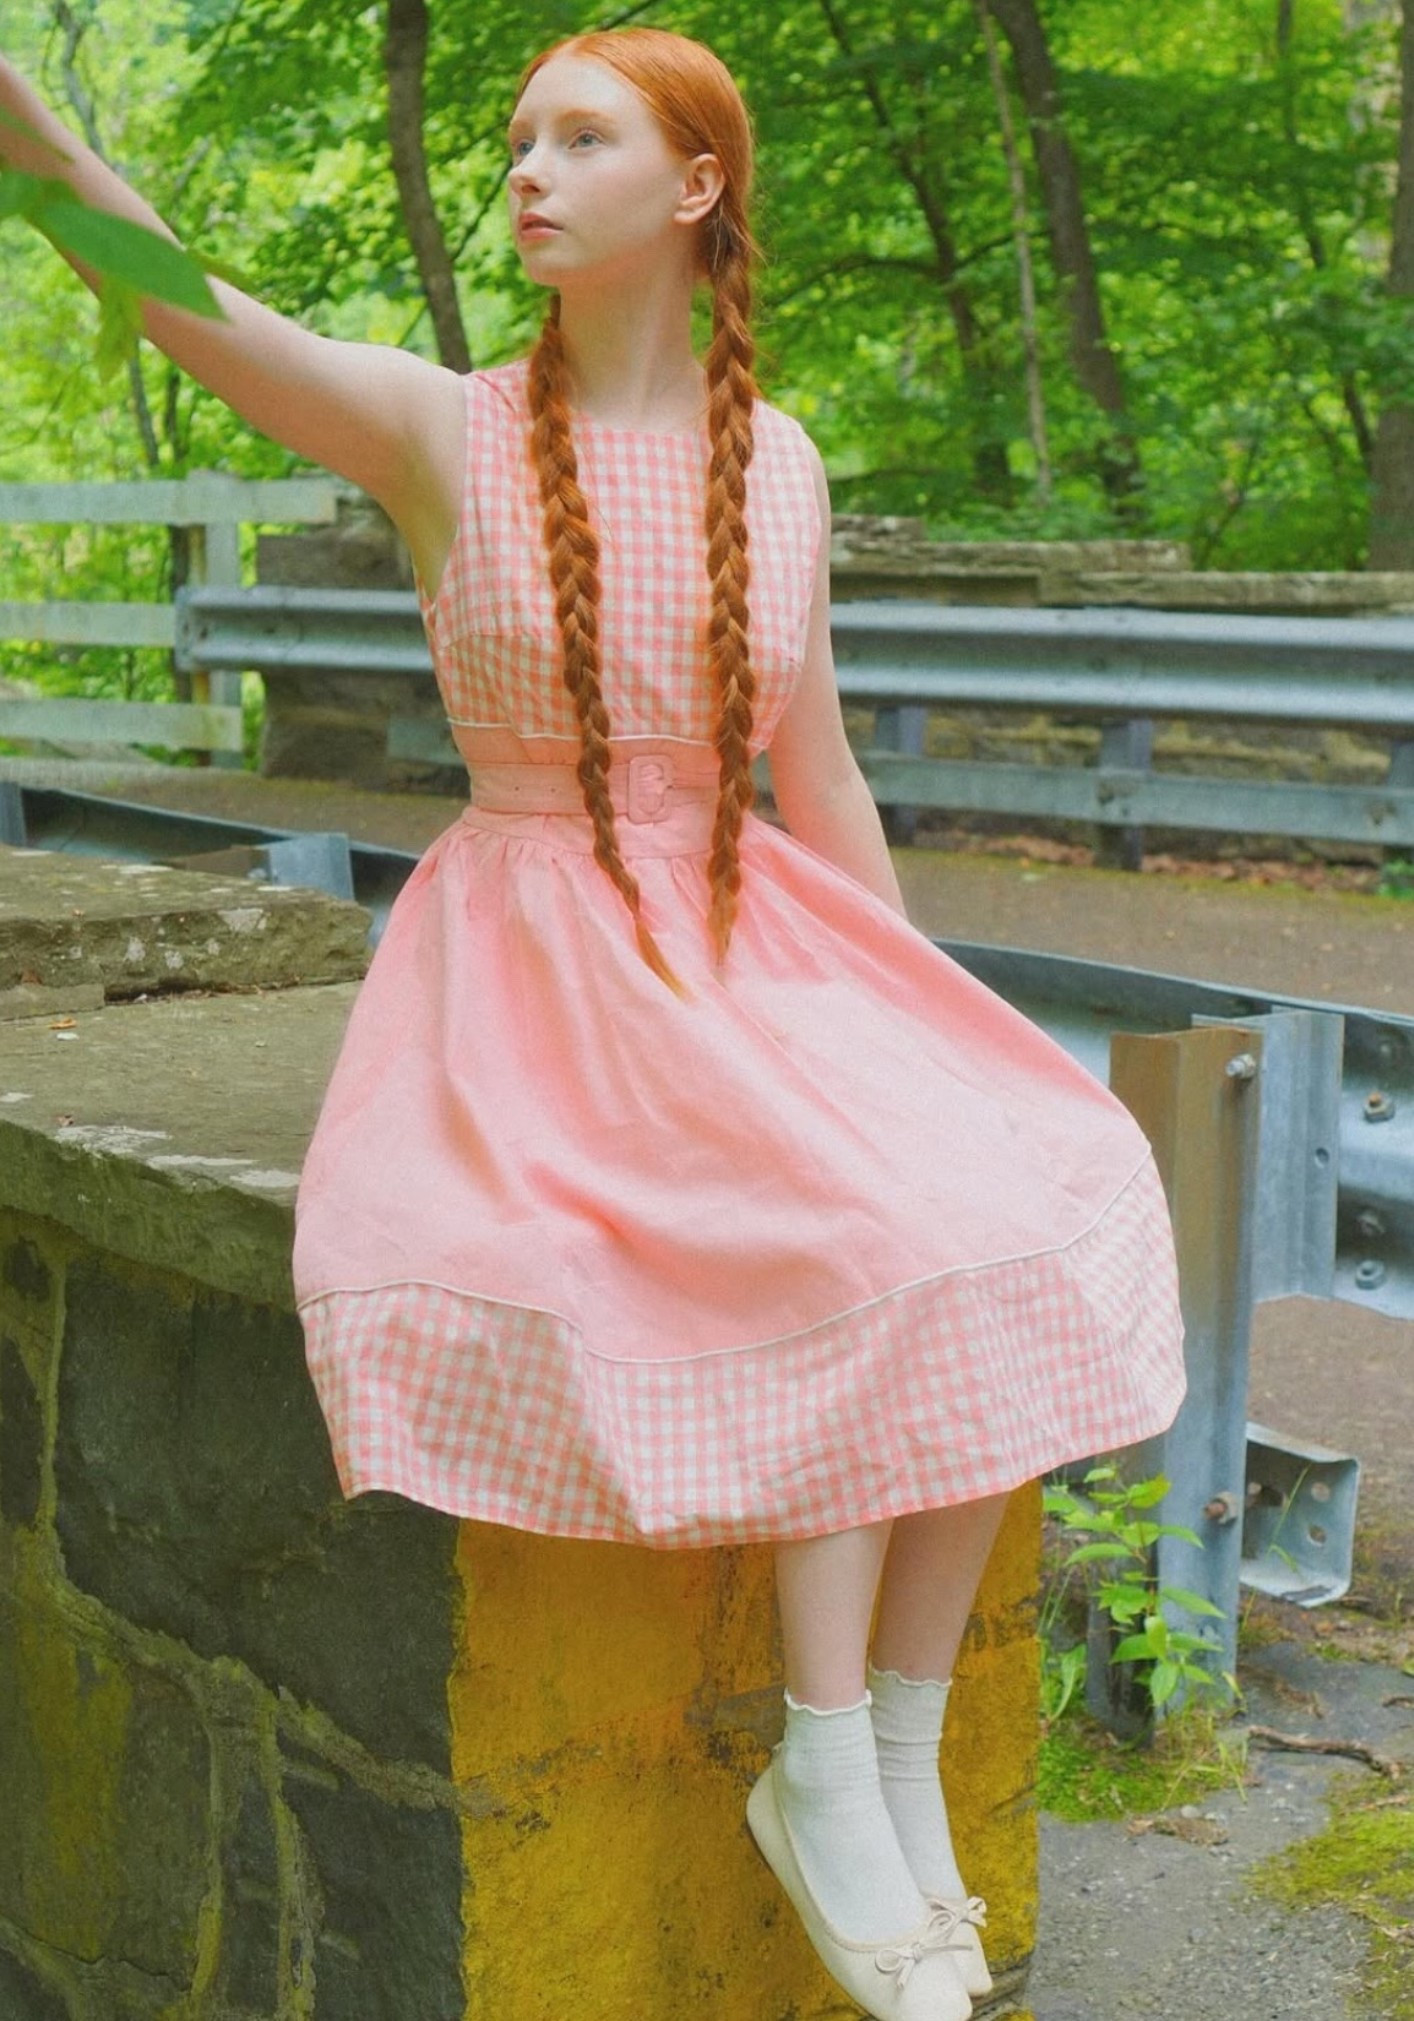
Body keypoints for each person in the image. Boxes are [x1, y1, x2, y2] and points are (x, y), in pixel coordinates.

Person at [1, 27, 1185, 2019]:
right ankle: (815, 1758)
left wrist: (911, 1031)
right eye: (516, 140)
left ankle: (888, 1758)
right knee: (855, 1239)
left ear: (693, 187)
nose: (528, 175)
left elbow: (808, 762)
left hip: (752, 933)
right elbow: (178, 299)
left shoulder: (775, 460)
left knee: (1018, 1177)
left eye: (582, 138)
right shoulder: (440, 428)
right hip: (546, 954)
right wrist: (24, 142)